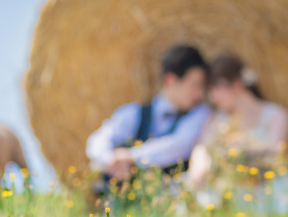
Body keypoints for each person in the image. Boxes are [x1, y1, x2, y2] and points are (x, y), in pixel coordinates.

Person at [188, 53, 288, 215]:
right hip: (230, 188)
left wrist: (239, 151)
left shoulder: (275, 114)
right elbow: (202, 147)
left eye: (216, 88)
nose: (212, 96)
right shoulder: (217, 119)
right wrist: (200, 167)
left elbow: (274, 154)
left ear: (237, 84)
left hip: (266, 186)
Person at [85, 44, 212, 191]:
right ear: (170, 80)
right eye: (195, 85)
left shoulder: (200, 115)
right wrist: (110, 160)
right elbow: (97, 141)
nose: (200, 94)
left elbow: (179, 145)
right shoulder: (133, 113)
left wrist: (131, 157)